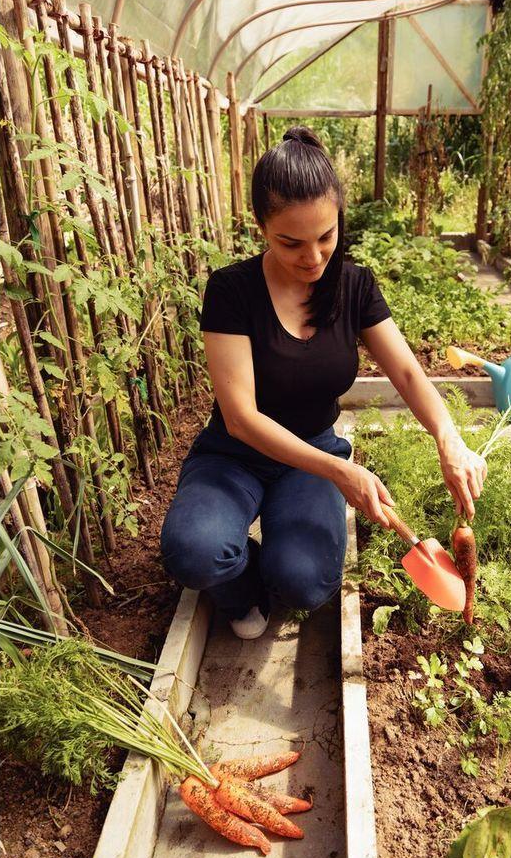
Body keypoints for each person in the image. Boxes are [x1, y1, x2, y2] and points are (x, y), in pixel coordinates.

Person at [160, 126, 486, 639]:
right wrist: (340, 471)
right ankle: (239, 582)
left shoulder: (354, 285)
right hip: (234, 454)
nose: (313, 258)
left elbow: (404, 370)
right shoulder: (232, 291)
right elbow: (242, 419)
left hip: (311, 453)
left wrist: (450, 439)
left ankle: (275, 559)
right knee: (195, 552)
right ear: (261, 226)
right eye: (291, 242)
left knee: (304, 584)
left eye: (326, 238)